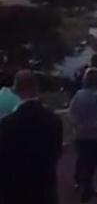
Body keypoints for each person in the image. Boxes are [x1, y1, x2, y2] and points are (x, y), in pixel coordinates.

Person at [0, 70, 63, 204]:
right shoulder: (53, 119)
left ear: (16, 89)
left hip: (15, 190)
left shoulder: (7, 123)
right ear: (36, 88)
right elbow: (57, 152)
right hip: (45, 188)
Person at [69, 67, 97, 203]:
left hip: (81, 136)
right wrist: (95, 125)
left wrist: (79, 126)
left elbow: (71, 113)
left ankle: (85, 189)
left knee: (85, 162)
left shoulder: (78, 95)